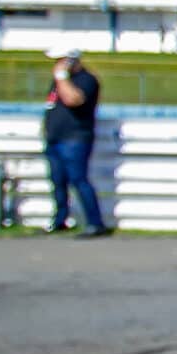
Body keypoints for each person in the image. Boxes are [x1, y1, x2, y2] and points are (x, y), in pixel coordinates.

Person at [42, 47, 110, 236]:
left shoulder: (86, 80)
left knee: (79, 180)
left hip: (75, 139)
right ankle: (60, 219)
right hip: (55, 138)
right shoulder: (59, 81)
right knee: (57, 181)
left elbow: (73, 99)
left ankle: (95, 223)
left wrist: (62, 77)